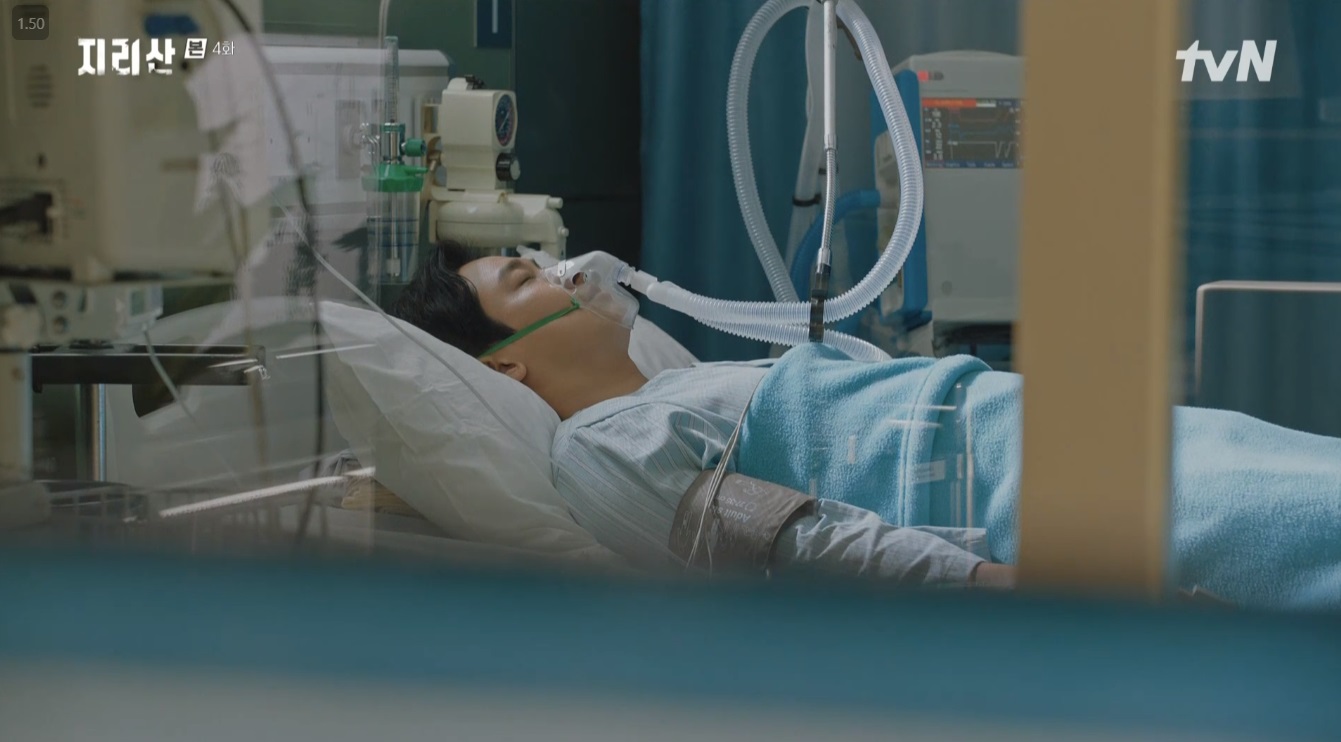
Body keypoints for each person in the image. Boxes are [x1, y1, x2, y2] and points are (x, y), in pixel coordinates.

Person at [392, 242, 1341, 607]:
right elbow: (797, 544)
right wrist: (1013, 591)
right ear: (504, 364)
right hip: (1044, 496)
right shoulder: (600, 448)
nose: (567, 271)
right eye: (526, 279)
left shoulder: (686, 385)